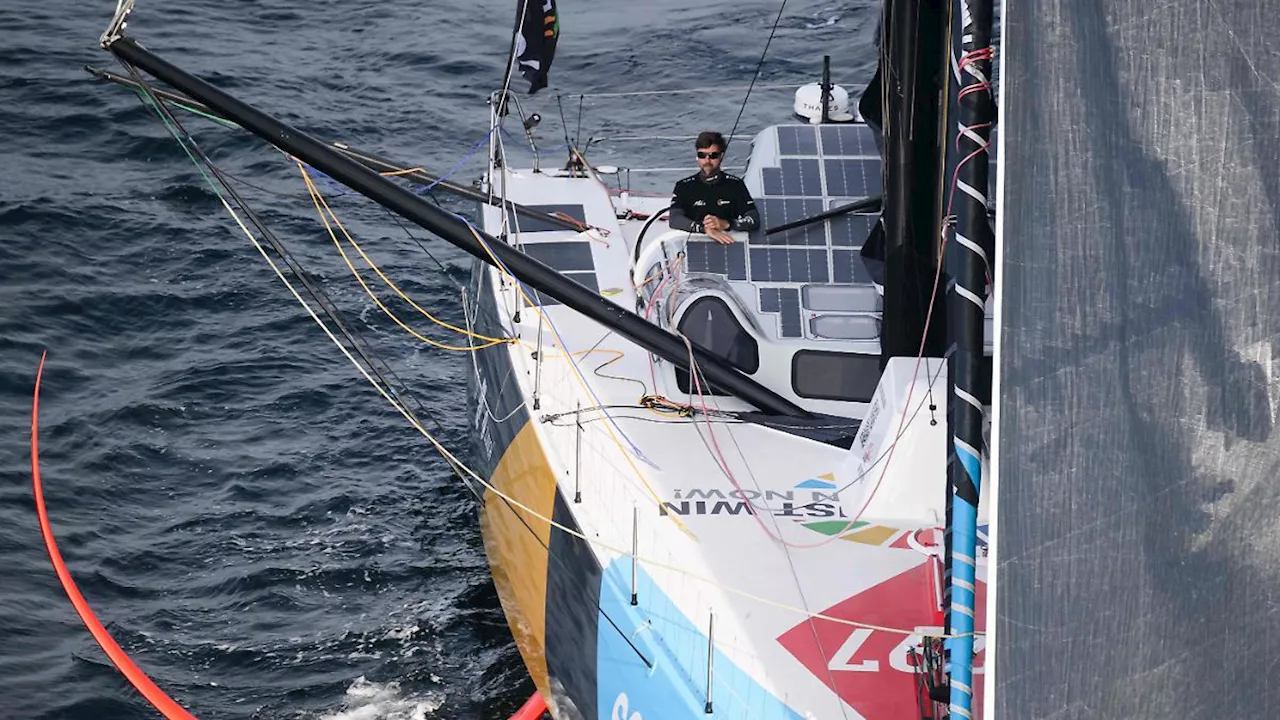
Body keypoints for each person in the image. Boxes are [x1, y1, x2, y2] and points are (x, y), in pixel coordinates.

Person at [668, 131, 760, 244]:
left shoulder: (735, 185)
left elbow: (754, 220)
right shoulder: (683, 186)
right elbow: (674, 219)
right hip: (693, 246)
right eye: (702, 155)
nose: (707, 161)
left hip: (729, 244)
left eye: (713, 156)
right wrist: (704, 229)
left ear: (721, 156)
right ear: (697, 156)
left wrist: (726, 224)